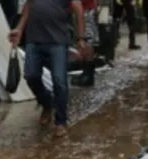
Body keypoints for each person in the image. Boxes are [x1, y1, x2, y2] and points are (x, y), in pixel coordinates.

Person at [10, 0, 89, 137]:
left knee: (59, 82)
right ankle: (47, 103)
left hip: (57, 41)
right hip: (34, 40)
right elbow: (29, 5)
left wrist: (80, 38)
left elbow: (78, 9)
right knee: (30, 75)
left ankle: (61, 121)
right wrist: (19, 29)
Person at [73, 0, 99, 87]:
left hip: (86, 10)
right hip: (86, 9)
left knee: (87, 40)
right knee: (88, 39)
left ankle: (88, 76)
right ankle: (86, 73)